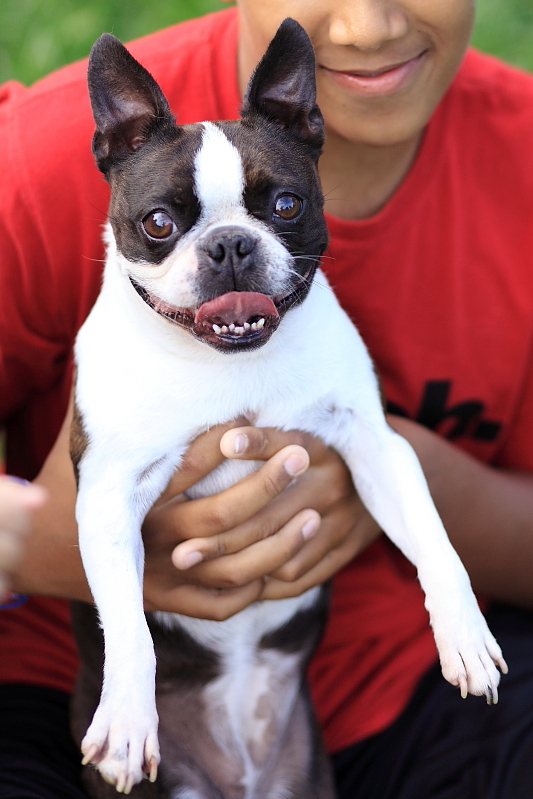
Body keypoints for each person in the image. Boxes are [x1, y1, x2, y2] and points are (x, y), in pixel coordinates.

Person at [2, 0, 533, 797]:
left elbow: (379, 449)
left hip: (380, 688)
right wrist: (37, 547)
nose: (365, 24)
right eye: (162, 224)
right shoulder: (27, 166)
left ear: (302, 134)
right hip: (73, 695)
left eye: (279, 208)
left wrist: (409, 482)